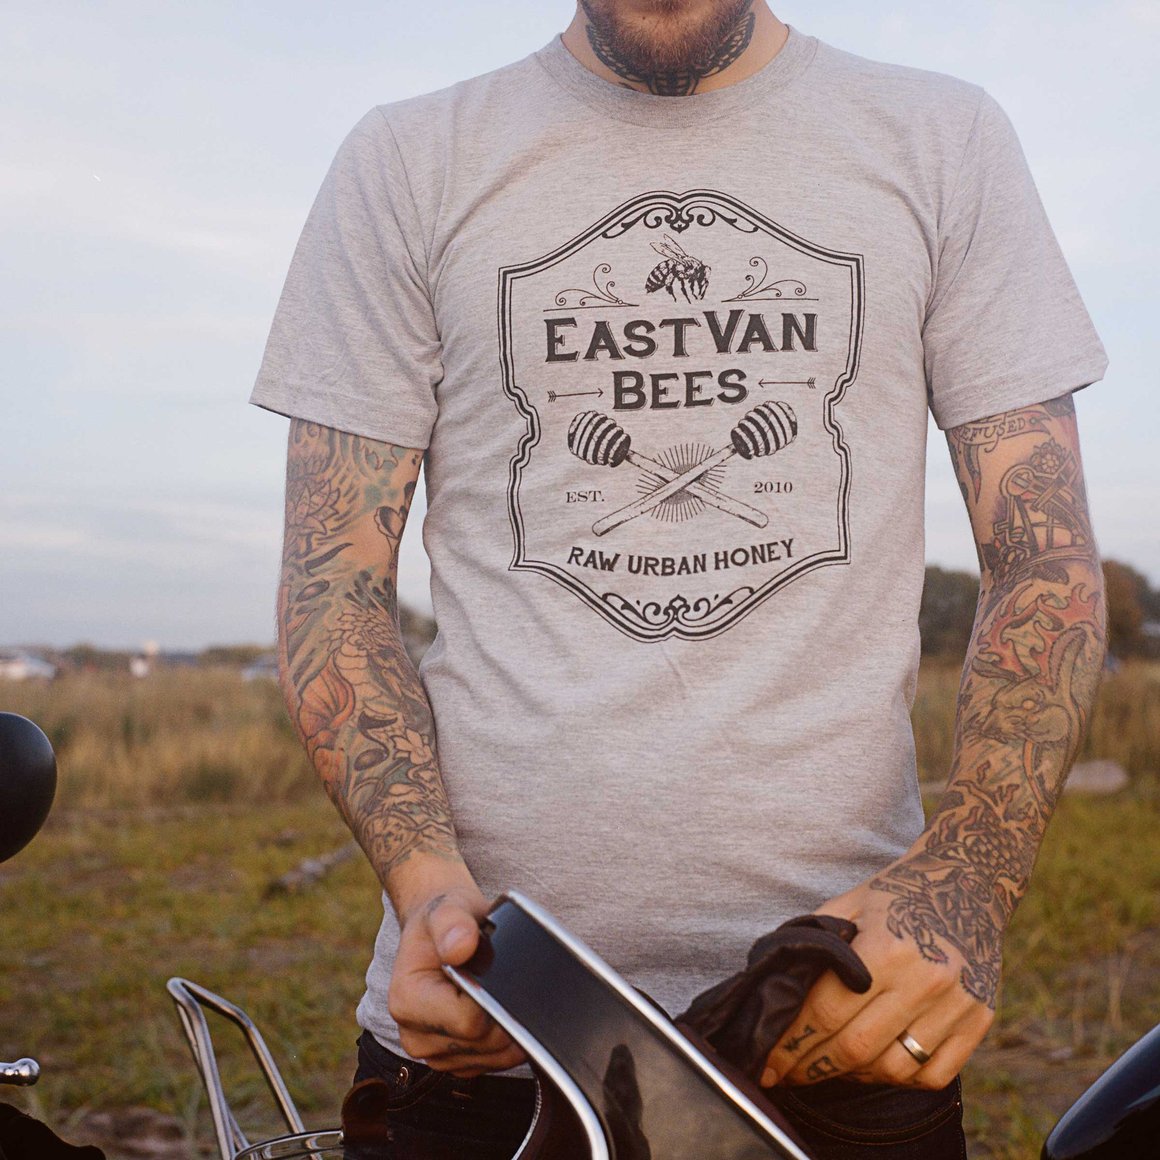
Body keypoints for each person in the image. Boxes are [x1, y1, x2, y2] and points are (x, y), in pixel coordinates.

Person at [250, 2, 1107, 1155]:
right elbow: (332, 583)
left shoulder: (940, 139)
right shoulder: (408, 159)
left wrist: (969, 879)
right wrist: (427, 889)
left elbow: (1039, 556)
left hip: (840, 1020)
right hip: (493, 1018)